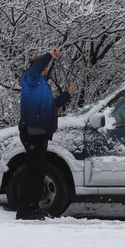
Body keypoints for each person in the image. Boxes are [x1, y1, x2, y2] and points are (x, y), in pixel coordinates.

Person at [16, 47, 74, 220]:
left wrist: (67, 95)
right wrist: (49, 55)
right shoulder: (30, 79)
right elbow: (36, 68)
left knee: (38, 171)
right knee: (33, 172)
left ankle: (32, 207)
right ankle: (25, 209)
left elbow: (51, 105)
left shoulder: (42, 86)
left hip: (40, 133)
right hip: (32, 132)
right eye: (44, 67)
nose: (45, 70)